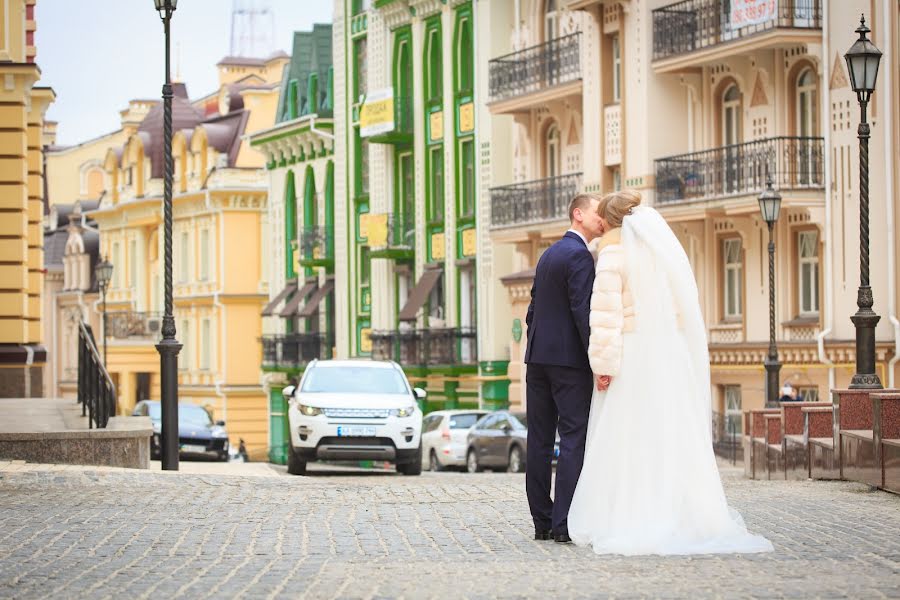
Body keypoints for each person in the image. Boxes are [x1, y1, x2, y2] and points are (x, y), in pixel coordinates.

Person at [567, 190, 773, 556]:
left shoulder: (612, 254)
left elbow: (606, 316)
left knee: (627, 435)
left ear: (610, 222)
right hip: (666, 353)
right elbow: (680, 306)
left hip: (631, 355)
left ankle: (628, 514)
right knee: (669, 431)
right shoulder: (660, 254)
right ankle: (682, 513)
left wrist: (603, 366)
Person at [524, 193, 604, 544]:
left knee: (539, 440)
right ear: (578, 214)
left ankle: (541, 520)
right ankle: (563, 523)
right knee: (573, 437)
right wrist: (595, 358)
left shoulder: (548, 255)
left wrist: (536, 344)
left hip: (537, 357)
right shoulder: (579, 256)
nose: (601, 218)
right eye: (596, 212)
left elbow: (531, 310)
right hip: (568, 361)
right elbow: (582, 312)